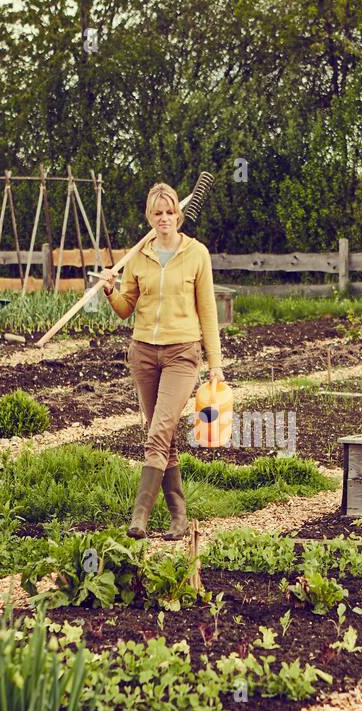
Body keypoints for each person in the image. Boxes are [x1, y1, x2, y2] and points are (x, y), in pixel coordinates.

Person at [99, 181, 226, 540]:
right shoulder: (138, 255)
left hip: (182, 354)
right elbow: (127, 308)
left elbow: (208, 311)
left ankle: (139, 516)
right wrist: (111, 291)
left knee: (158, 432)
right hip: (143, 354)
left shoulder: (197, 253)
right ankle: (178, 518)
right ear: (150, 217)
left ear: (179, 215)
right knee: (162, 436)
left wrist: (215, 364)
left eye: (170, 212)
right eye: (158, 213)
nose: (165, 218)